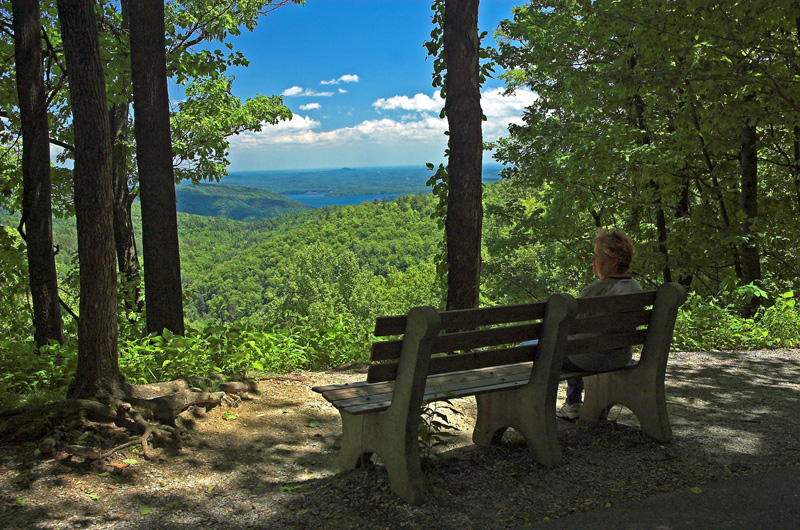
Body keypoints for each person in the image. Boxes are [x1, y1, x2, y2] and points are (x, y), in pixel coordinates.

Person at [556, 228, 643, 420]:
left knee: (542, 349)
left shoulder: (593, 291)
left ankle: (572, 403)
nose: (592, 260)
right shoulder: (636, 288)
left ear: (612, 261)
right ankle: (573, 402)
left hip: (591, 360)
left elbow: (573, 330)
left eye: (596, 256)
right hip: (620, 356)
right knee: (574, 345)